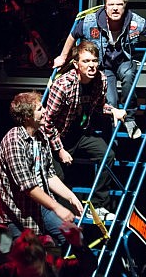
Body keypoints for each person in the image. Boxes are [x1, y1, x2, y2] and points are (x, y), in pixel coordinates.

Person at [54, 0, 146, 139]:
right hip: (105, 66)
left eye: (119, 4)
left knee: (128, 75)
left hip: (125, 62)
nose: (115, 8)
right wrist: (63, 57)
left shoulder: (134, 21)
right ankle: (112, 135)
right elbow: (72, 35)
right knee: (110, 99)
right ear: (105, 6)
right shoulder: (91, 21)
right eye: (111, 5)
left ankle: (129, 119)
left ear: (125, 5)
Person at [44, 40, 127, 221]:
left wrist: (113, 110)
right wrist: (60, 150)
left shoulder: (101, 80)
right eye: (86, 61)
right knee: (59, 177)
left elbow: (98, 107)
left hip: (80, 133)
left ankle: (98, 205)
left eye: (94, 61)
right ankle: (64, 219)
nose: (91, 65)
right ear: (76, 64)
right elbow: (46, 123)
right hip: (57, 137)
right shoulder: (63, 85)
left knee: (107, 155)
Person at [0, 91, 83, 246]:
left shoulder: (41, 137)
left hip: (42, 207)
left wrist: (71, 197)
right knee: (25, 257)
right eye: (39, 109)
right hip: (18, 213)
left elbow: (49, 174)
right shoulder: (14, 140)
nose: (45, 111)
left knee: (75, 237)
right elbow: (27, 186)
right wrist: (57, 207)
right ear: (27, 116)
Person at [0, 221, 98, 277]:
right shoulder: (5, 272)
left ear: (43, 259)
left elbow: (89, 266)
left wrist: (79, 245)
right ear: (16, 263)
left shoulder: (56, 268)